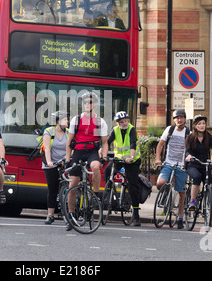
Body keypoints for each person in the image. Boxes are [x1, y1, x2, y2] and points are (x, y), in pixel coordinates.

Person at [65, 91, 108, 230]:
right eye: (84, 102)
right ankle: (71, 215)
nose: (87, 104)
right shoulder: (76, 120)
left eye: (89, 102)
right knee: (73, 186)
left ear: (94, 104)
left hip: (91, 152)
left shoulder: (100, 121)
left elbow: (105, 142)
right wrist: (67, 159)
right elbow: (69, 141)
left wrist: (104, 156)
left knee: (96, 167)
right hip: (78, 152)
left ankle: (95, 195)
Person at [184, 114, 212, 232]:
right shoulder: (190, 138)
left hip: (205, 166)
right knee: (196, 177)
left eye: (203, 123)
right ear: (195, 126)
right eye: (199, 124)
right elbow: (187, 150)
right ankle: (192, 201)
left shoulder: (209, 137)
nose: (202, 126)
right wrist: (188, 156)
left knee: (211, 192)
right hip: (193, 164)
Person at [105, 111, 142, 226]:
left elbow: (132, 144)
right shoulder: (115, 130)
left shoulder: (132, 129)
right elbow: (107, 142)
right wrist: (102, 153)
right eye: (121, 121)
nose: (124, 123)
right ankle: (109, 190)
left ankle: (136, 214)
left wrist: (130, 157)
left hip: (132, 160)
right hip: (120, 158)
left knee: (132, 186)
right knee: (107, 170)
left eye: (125, 120)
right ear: (118, 123)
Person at [155, 109, 190, 229]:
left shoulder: (188, 133)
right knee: (160, 183)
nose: (179, 120)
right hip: (168, 163)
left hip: (181, 165)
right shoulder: (169, 130)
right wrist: (158, 159)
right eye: (177, 118)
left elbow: (190, 150)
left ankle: (180, 217)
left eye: (181, 117)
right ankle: (166, 194)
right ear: (174, 119)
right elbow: (160, 144)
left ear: (185, 119)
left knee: (181, 193)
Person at [42, 111, 69, 224]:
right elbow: (47, 148)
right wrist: (49, 162)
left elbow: (71, 148)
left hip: (65, 161)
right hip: (51, 162)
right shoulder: (49, 131)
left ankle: (70, 213)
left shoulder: (69, 132)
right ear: (58, 121)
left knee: (70, 186)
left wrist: (67, 160)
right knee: (52, 189)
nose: (67, 121)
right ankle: (50, 215)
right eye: (65, 120)